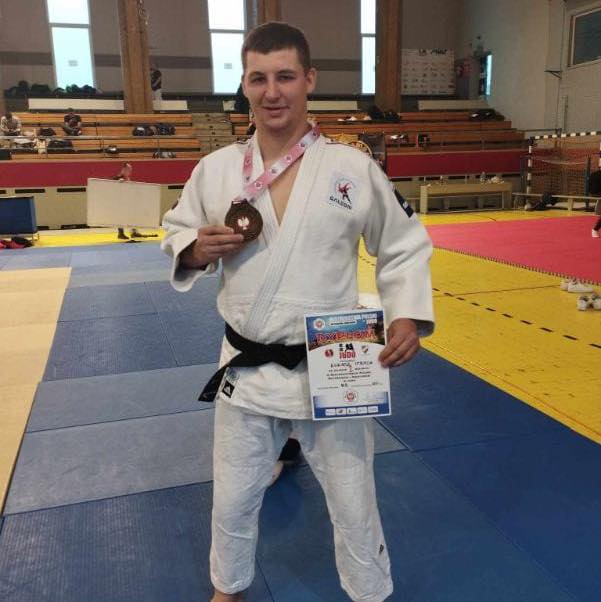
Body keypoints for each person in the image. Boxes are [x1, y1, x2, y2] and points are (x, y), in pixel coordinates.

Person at [161, 22, 434, 602]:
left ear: (309, 79)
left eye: (285, 76)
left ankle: (369, 590)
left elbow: (403, 243)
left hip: (333, 365)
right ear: (244, 84)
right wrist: (194, 249)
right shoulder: (215, 169)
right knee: (232, 495)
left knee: (353, 498)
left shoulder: (351, 168)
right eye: (258, 78)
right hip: (247, 366)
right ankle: (228, 587)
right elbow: (177, 228)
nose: (272, 92)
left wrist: (406, 315)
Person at [113, 163, 143, 240]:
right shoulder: (118, 177)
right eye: (128, 169)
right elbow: (112, 186)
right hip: (120, 201)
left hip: (128, 200)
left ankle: (134, 232)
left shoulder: (128, 178)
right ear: (123, 170)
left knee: (133, 216)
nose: (130, 171)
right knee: (121, 217)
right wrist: (118, 182)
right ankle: (121, 233)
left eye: (130, 170)